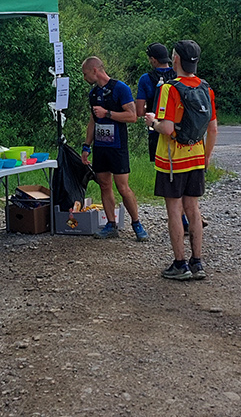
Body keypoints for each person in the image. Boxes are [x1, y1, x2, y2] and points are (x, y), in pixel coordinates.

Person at [146, 39, 216, 280]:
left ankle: (179, 264)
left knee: (174, 210)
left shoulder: (170, 89)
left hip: (172, 160)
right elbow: (213, 128)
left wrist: (152, 122)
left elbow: (166, 128)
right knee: (193, 209)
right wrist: (206, 157)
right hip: (196, 156)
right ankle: (197, 262)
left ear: (176, 59)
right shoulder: (206, 88)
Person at [80, 56, 148, 240]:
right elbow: (93, 121)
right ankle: (111, 224)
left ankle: (136, 223)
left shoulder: (120, 88)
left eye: (85, 74)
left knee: (122, 187)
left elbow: (132, 116)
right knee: (104, 184)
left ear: (95, 70)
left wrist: (108, 113)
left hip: (117, 146)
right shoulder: (93, 94)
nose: (84, 78)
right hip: (100, 146)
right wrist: (86, 146)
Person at [135, 42, 175, 162]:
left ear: (153, 59)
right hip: (177, 127)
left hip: (155, 128)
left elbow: (139, 111)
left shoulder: (145, 79)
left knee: (160, 165)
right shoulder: (178, 75)